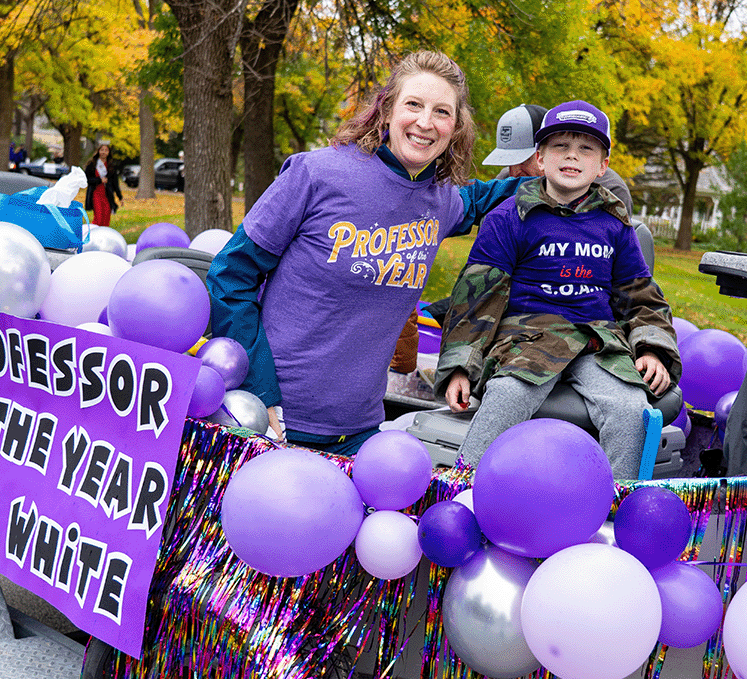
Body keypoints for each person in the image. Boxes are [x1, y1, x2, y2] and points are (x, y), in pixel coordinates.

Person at [206, 50, 525, 456]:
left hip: (360, 434)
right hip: (274, 422)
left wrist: (562, 169)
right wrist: (260, 389)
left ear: (455, 128)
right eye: (414, 104)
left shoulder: (441, 202)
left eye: (442, 112)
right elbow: (230, 275)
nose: (426, 122)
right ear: (387, 109)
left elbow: (484, 198)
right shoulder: (316, 173)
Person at [436, 100, 681, 480]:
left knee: (631, 409)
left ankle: (615, 513)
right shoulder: (509, 217)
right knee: (507, 395)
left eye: (586, 148)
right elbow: (476, 297)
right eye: (560, 146)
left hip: (597, 342)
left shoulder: (614, 225)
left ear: (602, 165)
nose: (572, 156)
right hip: (526, 339)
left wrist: (652, 348)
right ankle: (465, 490)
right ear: (540, 157)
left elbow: (640, 293)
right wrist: (460, 367)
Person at [483, 103, 634, 217]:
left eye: (523, 161)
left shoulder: (612, 190)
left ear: (541, 155)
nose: (514, 172)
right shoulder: (506, 180)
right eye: (509, 162)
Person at [85, 143, 123, 227]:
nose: (103, 152)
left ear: (109, 152)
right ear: (98, 151)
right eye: (102, 150)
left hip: (107, 195)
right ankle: (91, 234)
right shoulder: (92, 164)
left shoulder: (111, 166)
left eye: (106, 150)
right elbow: (87, 179)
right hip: (95, 194)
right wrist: (99, 180)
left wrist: (120, 197)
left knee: (106, 219)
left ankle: (104, 237)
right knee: (98, 219)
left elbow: (115, 184)